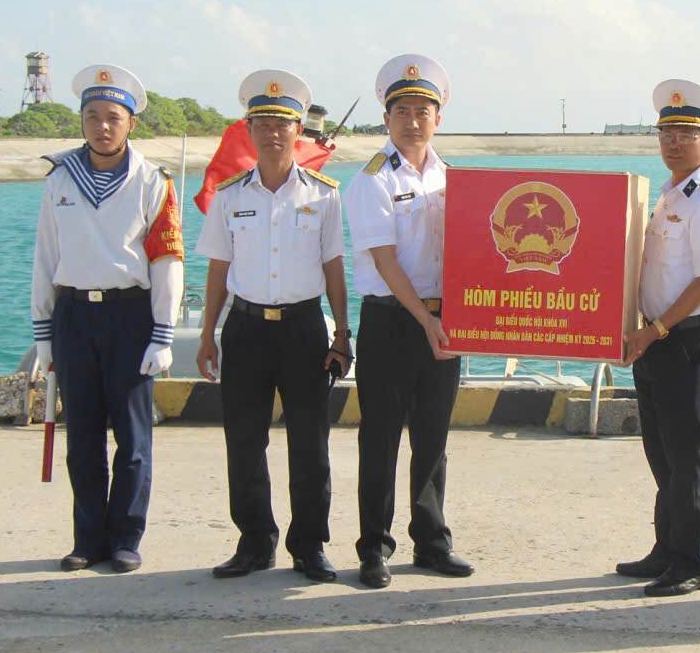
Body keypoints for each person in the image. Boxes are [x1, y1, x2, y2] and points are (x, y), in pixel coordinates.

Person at [196, 69, 351, 583]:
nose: (272, 131)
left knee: (310, 443)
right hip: (245, 331)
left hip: (304, 328)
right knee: (244, 441)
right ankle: (254, 543)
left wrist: (342, 333)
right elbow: (218, 269)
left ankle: (309, 546)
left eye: (282, 122)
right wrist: (206, 336)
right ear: (247, 128)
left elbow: (334, 267)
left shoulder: (325, 194)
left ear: (299, 129)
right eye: (261, 121)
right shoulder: (229, 195)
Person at [31, 64, 184, 574]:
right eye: (92, 116)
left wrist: (163, 333)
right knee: (84, 438)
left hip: (130, 316)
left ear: (130, 124)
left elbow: (167, 260)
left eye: (113, 117)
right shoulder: (59, 179)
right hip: (75, 315)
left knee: (134, 439)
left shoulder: (152, 182)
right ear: (81, 119)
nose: (102, 126)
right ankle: (87, 539)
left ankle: (125, 538)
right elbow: (45, 258)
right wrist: (44, 332)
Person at [343, 54, 473, 588]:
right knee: (380, 439)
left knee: (433, 436)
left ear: (438, 118)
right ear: (386, 119)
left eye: (424, 110)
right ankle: (374, 547)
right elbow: (385, 260)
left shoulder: (455, 180)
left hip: (445, 322)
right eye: (403, 110)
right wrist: (424, 319)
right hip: (393, 323)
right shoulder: (371, 180)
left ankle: (431, 541)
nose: (413, 120)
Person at [617, 79, 700, 597]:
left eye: (686, 133)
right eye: (666, 132)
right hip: (656, 340)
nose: (673, 142)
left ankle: (693, 561)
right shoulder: (670, 195)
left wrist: (655, 331)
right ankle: (667, 548)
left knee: (686, 454)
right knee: (661, 452)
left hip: (688, 339)